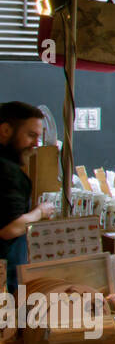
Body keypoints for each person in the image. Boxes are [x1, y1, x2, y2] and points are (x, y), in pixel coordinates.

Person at [1, 101, 58, 292]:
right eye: (31, 135)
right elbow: (10, 229)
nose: (35, 144)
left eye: (38, 137)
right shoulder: (8, 172)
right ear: (5, 130)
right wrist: (40, 212)